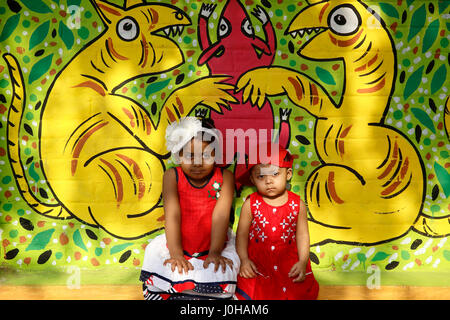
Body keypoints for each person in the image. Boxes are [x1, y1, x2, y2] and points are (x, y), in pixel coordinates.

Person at [140, 117, 239, 300]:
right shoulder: (172, 176)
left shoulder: (225, 177)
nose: (197, 163)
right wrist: (176, 253)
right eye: (190, 155)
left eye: (206, 155)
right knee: (155, 254)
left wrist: (215, 252)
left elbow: (221, 215)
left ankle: (201, 293)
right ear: (178, 154)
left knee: (224, 267)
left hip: (213, 244)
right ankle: (174, 291)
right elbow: (172, 215)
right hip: (177, 242)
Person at [234, 143, 319, 300]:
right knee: (250, 289)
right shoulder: (251, 203)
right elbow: (241, 235)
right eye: (261, 176)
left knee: (297, 289)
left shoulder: (297, 204)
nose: (268, 181)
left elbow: (302, 236)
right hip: (259, 264)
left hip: (288, 263)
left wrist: (302, 261)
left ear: (288, 174)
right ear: (252, 179)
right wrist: (244, 260)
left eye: (275, 174)